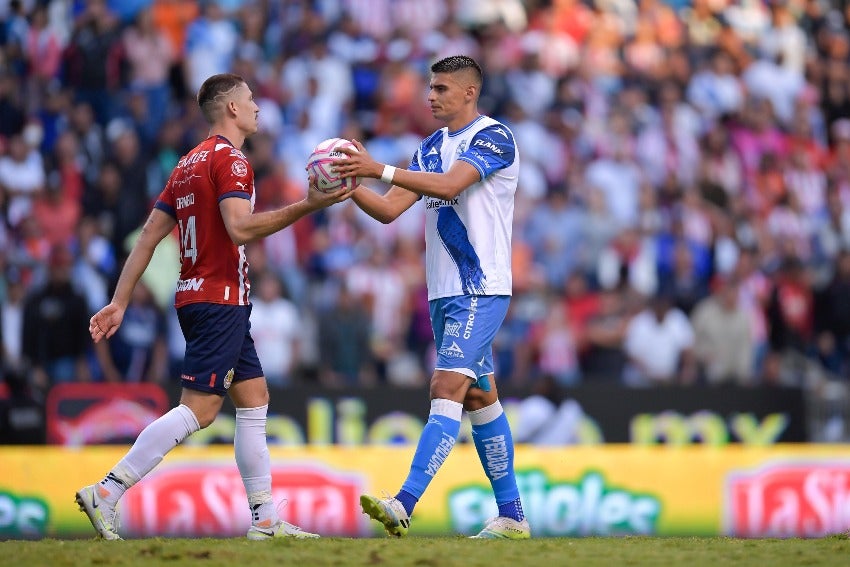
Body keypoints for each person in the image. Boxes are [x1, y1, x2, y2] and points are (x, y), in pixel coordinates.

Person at [75, 73, 352, 541]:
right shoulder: (232, 161)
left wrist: (119, 300)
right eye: (250, 100)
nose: (258, 107)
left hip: (205, 298)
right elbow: (240, 229)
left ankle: (264, 519)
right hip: (218, 299)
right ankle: (107, 491)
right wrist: (307, 205)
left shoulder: (187, 163)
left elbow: (148, 237)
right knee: (201, 411)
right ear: (231, 110)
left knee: (255, 399)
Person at [335, 55, 530, 539]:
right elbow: (386, 210)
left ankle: (403, 503)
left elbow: (449, 185)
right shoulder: (430, 146)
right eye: (431, 87)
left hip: (480, 288)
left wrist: (377, 167)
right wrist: (346, 185)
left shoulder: (494, 137)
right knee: (481, 398)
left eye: (442, 88)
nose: (431, 96)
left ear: (469, 92)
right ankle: (512, 516)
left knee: (445, 388)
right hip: (443, 293)